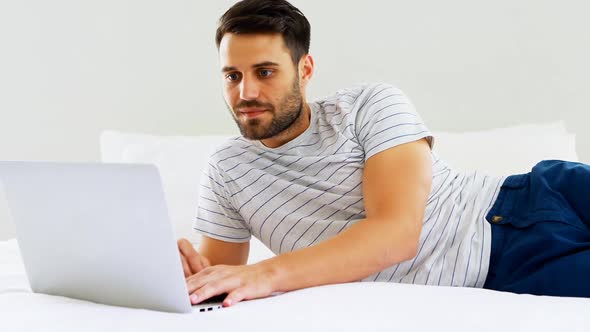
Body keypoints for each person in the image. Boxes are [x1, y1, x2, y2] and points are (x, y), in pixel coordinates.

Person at [177, 0, 590, 308]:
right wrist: (180, 274)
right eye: (232, 76)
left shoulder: (369, 105)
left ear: (304, 70)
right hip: (505, 266)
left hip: (533, 198)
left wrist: (266, 274)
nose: (245, 93)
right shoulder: (227, 169)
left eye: (264, 72)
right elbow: (217, 281)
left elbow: (396, 234)